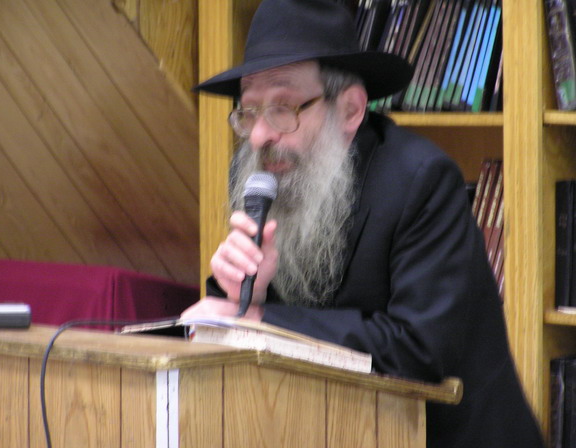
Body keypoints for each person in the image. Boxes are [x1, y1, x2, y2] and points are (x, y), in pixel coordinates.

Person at [184, 0, 545, 446]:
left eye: (283, 107)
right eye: (250, 111)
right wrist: (244, 294)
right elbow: (245, 317)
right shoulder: (264, 171)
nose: (259, 135)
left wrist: (259, 318)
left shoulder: (421, 180)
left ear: (351, 110)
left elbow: (418, 349)